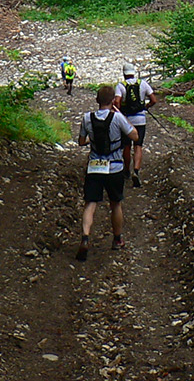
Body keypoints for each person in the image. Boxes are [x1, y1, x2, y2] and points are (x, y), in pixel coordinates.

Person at [77, 84, 138, 260]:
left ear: (97, 100)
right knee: (115, 204)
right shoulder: (117, 118)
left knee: (90, 203)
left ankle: (85, 237)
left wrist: (92, 140)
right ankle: (117, 239)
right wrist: (121, 115)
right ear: (113, 101)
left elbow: (81, 141)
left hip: (94, 166)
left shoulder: (87, 118)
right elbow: (134, 136)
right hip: (115, 167)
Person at [114, 61, 156, 188]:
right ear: (134, 73)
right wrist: (146, 107)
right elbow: (153, 100)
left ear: (124, 73)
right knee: (138, 146)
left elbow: (117, 101)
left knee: (126, 146)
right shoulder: (143, 84)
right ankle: (136, 171)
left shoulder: (121, 86)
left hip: (127, 120)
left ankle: (126, 170)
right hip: (140, 120)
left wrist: (119, 113)